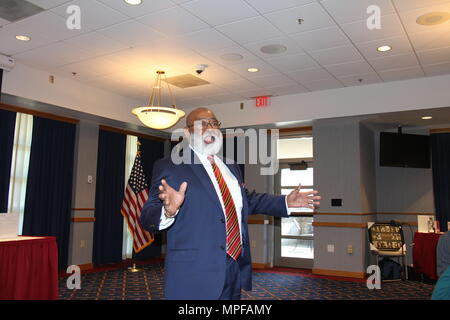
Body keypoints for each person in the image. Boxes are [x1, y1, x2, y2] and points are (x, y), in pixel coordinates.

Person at [140, 107, 321, 300]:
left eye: (214, 123)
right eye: (202, 124)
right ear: (187, 133)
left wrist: (285, 201)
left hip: (232, 266)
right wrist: (168, 211)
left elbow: (245, 200)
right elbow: (147, 216)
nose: (210, 128)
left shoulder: (230, 166)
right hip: (194, 272)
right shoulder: (170, 166)